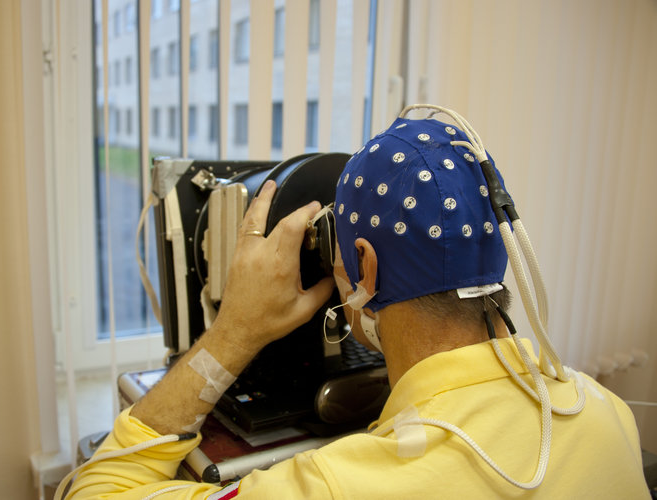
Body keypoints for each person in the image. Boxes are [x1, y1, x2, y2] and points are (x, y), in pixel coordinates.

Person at [63, 106, 649, 499]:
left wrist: (233, 332)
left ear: (364, 266)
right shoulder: (608, 417)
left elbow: (97, 490)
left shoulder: (343, 485)